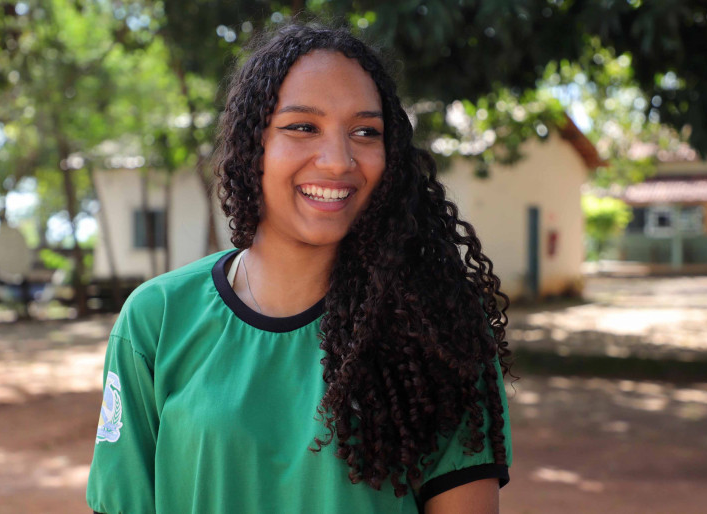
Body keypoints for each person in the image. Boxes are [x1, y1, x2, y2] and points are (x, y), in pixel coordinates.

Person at [87, 22, 513, 514]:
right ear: (254, 147)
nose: (337, 160)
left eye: (365, 131)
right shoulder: (158, 318)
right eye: (302, 127)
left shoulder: (440, 327)